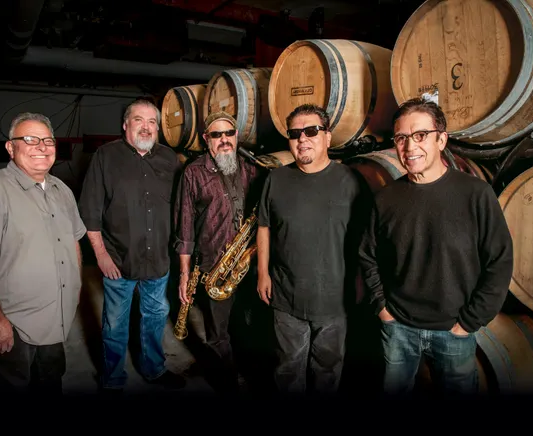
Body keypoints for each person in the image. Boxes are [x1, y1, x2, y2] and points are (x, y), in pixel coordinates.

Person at [358, 97, 514, 398]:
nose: (409, 147)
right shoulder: (386, 199)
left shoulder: (476, 194)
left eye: (420, 135)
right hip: (398, 328)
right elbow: (368, 256)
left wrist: (469, 322)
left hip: (453, 331)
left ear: (441, 140)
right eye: (401, 138)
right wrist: (382, 309)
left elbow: (500, 262)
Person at [0, 112, 86, 397]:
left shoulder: (62, 190)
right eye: (29, 139)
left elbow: (74, 241)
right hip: (13, 327)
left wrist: (73, 292)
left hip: (54, 318)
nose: (41, 147)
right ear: (10, 148)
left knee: (50, 384)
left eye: (48, 140)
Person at [78, 97, 185, 394]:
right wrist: (100, 254)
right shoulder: (105, 156)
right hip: (118, 260)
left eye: (152, 122)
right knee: (115, 324)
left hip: (159, 261)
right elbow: (89, 210)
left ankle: (153, 369)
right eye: (139, 120)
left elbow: (182, 209)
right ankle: (112, 378)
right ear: (126, 125)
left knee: (155, 319)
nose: (146, 127)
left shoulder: (170, 159)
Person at [256, 103, 362, 395]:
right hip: (286, 296)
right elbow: (264, 227)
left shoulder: (351, 181)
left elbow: (364, 238)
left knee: (327, 372)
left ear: (327, 137)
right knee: (287, 370)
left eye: (311, 131)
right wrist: (263, 273)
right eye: (294, 133)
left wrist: (360, 281)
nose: (302, 139)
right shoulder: (275, 179)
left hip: (334, 300)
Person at [174, 111, 262, 394]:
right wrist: (184, 275)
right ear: (206, 139)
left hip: (249, 264)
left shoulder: (253, 169)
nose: (224, 139)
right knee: (217, 334)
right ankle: (227, 382)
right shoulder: (193, 172)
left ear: (237, 136)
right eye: (216, 134)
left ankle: (250, 373)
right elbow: (184, 227)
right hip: (215, 267)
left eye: (229, 133)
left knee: (247, 326)